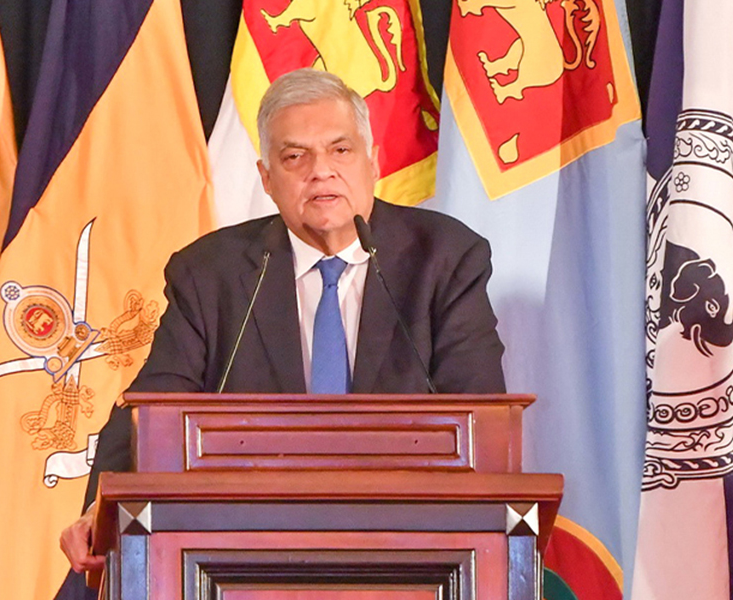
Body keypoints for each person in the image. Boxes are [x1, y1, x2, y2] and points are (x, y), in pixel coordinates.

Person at [60, 68, 506, 573]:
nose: (322, 171)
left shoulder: (445, 258)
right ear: (267, 178)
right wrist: (99, 511)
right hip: (245, 552)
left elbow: (482, 416)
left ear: (373, 162)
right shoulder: (212, 273)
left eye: (341, 150)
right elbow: (152, 410)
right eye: (296, 156)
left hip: (410, 549)